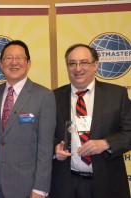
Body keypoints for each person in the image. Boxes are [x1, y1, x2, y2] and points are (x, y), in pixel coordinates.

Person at [50, 43, 131, 198]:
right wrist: (54, 149)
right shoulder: (53, 97)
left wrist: (106, 143)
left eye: (84, 62)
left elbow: (129, 132)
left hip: (108, 184)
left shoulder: (117, 95)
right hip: (65, 184)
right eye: (72, 63)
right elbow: (43, 134)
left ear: (95, 65)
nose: (77, 68)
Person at [0, 40, 56, 198]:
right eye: (8, 58)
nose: (14, 62)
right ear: (0, 63)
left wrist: (40, 189)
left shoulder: (44, 96)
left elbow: (45, 149)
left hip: (28, 187)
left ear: (28, 63)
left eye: (19, 58)